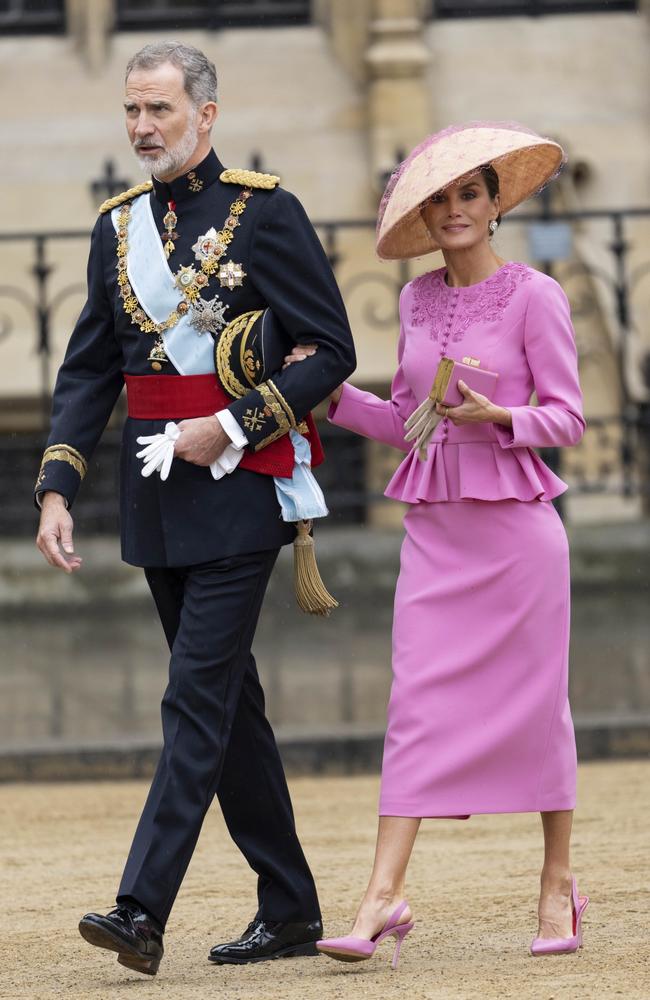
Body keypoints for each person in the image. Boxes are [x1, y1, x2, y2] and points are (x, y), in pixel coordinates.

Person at [34, 41, 355, 977]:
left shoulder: (268, 214)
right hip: (155, 499)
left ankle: (141, 908)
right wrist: (57, 483)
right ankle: (290, 907)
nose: (143, 129)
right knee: (227, 707)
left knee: (192, 699)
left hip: (240, 491)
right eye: (132, 112)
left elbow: (330, 347)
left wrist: (239, 424)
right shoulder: (117, 226)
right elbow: (91, 368)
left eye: (159, 112)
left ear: (205, 115)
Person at [287, 122, 589, 966]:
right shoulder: (416, 300)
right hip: (436, 535)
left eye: (470, 194)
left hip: (519, 537)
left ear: (496, 205)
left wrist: (502, 418)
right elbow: (408, 423)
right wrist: (328, 393)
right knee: (414, 705)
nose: (455, 210)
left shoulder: (538, 295)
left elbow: (568, 417)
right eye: (441, 198)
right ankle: (382, 898)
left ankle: (557, 884)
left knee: (539, 710)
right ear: (426, 214)